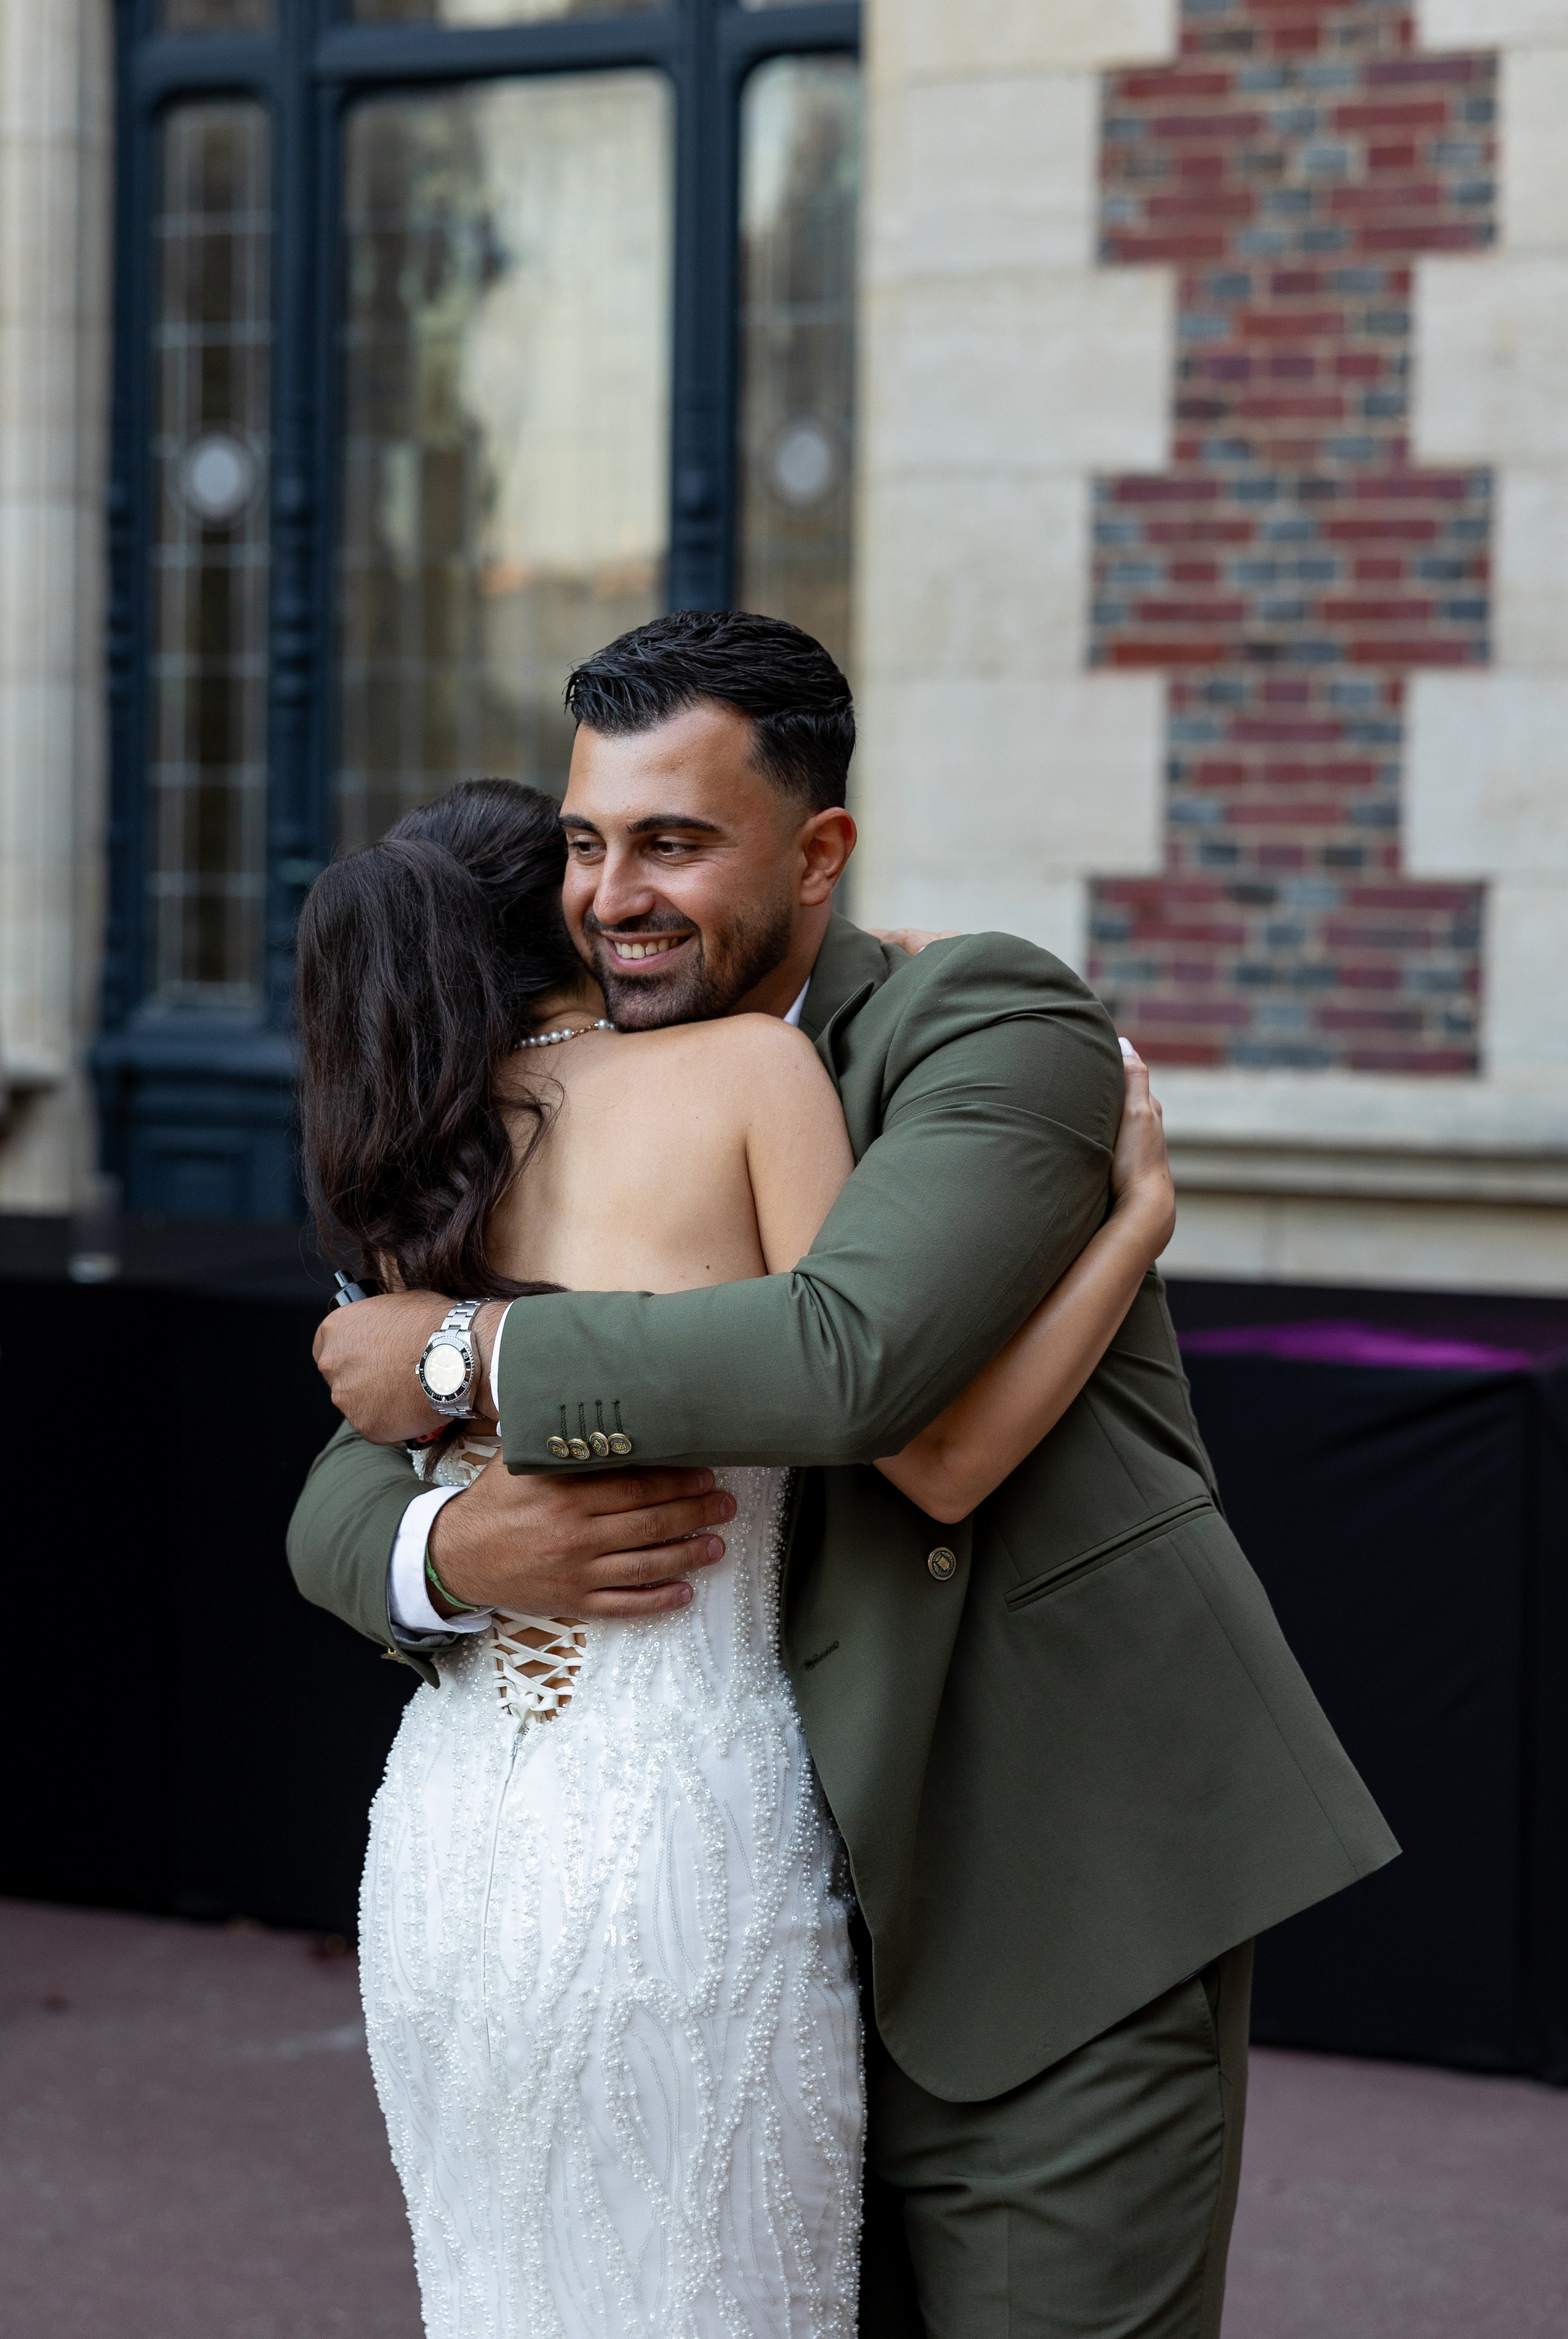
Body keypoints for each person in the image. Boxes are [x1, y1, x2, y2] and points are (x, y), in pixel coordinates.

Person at [291, 611, 1396, 2338]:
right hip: (721, 1909)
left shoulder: (987, 1020)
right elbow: (334, 1503)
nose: (614, 895)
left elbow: (859, 1365)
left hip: (1037, 1898)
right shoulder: (547, 1100)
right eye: (587, 844)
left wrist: (464, 1357)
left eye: (674, 842)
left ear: (819, 853)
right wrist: (467, 1546)